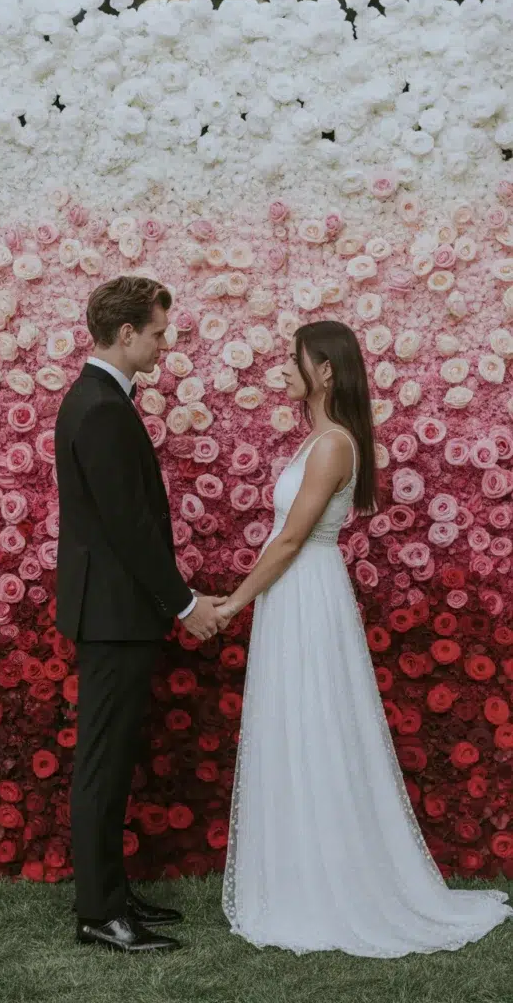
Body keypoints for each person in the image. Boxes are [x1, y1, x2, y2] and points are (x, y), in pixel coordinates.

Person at [217, 320, 512, 957]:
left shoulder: (332, 446)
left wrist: (235, 600)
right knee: (294, 723)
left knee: (315, 723)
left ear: (325, 371)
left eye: (295, 362)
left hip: (306, 590)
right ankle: (300, 875)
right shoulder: (318, 440)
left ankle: (329, 884)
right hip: (294, 593)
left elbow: (292, 539)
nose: (285, 372)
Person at [55, 275, 224, 954]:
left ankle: (111, 894)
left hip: (115, 612)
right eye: (157, 332)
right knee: (103, 764)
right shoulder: (99, 407)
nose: (163, 342)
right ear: (126, 334)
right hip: (115, 615)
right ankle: (99, 912)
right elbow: (128, 524)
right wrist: (184, 603)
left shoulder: (100, 399)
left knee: (114, 759)